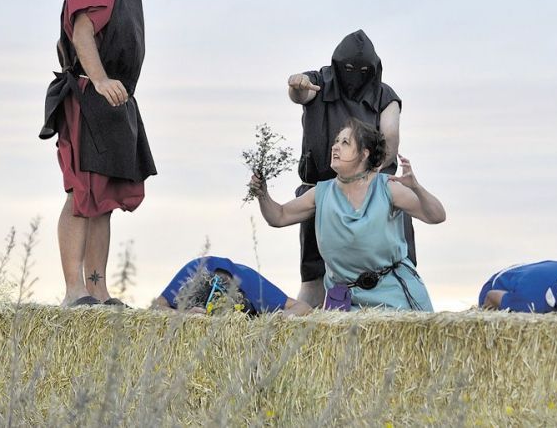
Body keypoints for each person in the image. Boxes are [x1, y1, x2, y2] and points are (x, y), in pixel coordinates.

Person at [39, 0, 159, 307]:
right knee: (82, 193)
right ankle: (74, 291)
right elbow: (82, 31)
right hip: (88, 99)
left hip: (116, 106)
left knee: (104, 200)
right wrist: (101, 79)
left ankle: (98, 290)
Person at [253, 118, 445, 312]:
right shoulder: (321, 193)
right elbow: (278, 216)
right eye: (336, 141)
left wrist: (416, 187)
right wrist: (262, 194)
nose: (335, 147)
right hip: (346, 303)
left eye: (345, 143)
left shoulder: (387, 187)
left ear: (364, 154)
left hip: (396, 298)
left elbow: (436, 216)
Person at [287, 29, 415, 307]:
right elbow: (300, 94)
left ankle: (406, 318)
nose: (354, 74)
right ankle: (308, 329)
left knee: (397, 265)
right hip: (320, 191)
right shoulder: (319, 81)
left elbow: (390, 135)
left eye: (362, 70)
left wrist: (368, 178)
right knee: (314, 275)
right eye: (347, 69)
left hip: (376, 191)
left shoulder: (386, 96)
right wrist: (297, 85)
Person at [151, 256, 312, 316]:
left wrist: (278, 319)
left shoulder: (251, 283)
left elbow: (303, 307)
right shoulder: (193, 271)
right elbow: (156, 308)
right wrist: (184, 315)